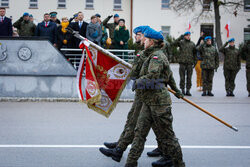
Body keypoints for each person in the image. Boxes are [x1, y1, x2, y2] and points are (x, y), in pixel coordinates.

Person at [99, 26, 174, 166]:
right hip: (144, 93)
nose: (137, 38)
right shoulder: (144, 52)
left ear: (150, 40)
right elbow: (137, 72)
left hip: (151, 94)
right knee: (138, 123)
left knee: (145, 125)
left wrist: (176, 89)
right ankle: (122, 148)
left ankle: (121, 149)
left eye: (139, 35)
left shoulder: (154, 54)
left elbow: (157, 75)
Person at [123, 28, 185, 167]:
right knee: (139, 133)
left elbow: (153, 76)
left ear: (151, 42)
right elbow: (169, 75)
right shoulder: (150, 55)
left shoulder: (157, 57)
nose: (143, 41)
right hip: (148, 101)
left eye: (145, 39)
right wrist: (176, 90)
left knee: (167, 136)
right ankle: (130, 163)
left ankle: (179, 164)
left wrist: (138, 82)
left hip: (159, 103)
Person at [172, 31, 197, 96]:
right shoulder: (181, 43)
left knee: (189, 77)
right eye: (187, 35)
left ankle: (188, 90)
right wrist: (180, 37)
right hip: (182, 63)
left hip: (189, 63)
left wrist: (195, 61)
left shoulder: (192, 44)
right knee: (182, 77)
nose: (188, 37)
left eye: (189, 35)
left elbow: (195, 53)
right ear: (184, 36)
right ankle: (182, 89)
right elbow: (173, 44)